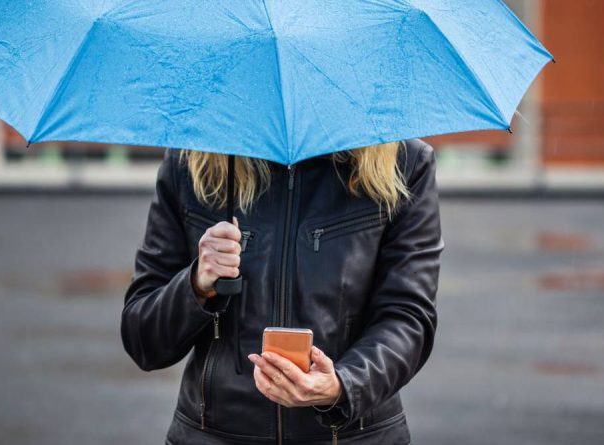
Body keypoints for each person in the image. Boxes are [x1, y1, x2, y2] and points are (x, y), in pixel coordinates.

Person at [121, 138, 444, 444]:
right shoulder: (191, 162)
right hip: (214, 435)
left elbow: (407, 316)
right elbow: (144, 341)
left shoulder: (404, 163)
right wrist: (196, 283)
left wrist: (343, 385)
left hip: (353, 435)